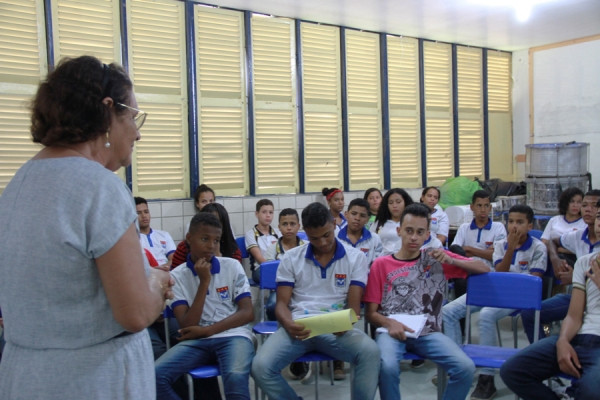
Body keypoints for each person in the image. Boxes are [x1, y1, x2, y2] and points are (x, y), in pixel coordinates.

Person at [0, 55, 173, 399]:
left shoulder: (19, 183)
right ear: (107, 111)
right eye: (132, 117)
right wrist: (157, 282)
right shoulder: (99, 187)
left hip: (26, 375)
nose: (137, 134)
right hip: (93, 378)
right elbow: (135, 313)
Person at [251, 202, 381, 400]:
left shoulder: (355, 258)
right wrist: (288, 324)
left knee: (370, 352)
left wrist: (346, 323)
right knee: (260, 367)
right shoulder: (291, 258)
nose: (322, 242)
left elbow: (354, 308)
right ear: (305, 232)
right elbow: (281, 305)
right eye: (314, 238)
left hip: (336, 330)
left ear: (334, 225)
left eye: (327, 235)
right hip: (298, 329)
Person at [364, 203, 489, 400]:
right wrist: (389, 323)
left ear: (427, 235)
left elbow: (484, 268)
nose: (414, 237)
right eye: (409, 231)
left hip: (428, 332)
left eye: (420, 232)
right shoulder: (381, 264)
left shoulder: (435, 259)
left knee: (465, 367)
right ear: (399, 231)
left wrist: (452, 260)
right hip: (392, 331)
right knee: (387, 367)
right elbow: (370, 313)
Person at [443, 204, 547, 400]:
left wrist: (511, 249)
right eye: (511, 222)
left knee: (486, 314)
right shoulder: (501, 244)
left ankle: (487, 378)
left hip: (519, 295)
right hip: (495, 288)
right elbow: (500, 272)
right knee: (448, 311)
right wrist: (509, 248)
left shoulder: (538, 247)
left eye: (520, 222)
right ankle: (459, 367)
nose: (514, 226)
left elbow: (532, 284)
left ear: (530, 225)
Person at [500, 206, 600, 399]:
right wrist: (562, 340)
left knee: (590, 391)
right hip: (579, 336)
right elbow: (574, 316)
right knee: (512, 370)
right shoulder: (585, 263)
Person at [155, 212, 255, 400]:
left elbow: (248, 313)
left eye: (216, 240)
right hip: (196, 341)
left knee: (235, 377)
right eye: (204, 239)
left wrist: (208, 330)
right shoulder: (177, 276)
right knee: (155, 376)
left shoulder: (232, 266)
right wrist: (204, 282)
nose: (211, 246)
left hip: (233, 336)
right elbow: (187, 324)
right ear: (189, 239)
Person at [521, 190, 600, 344]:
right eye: (584, 205)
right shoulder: (578, 236)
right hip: (577, 298)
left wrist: (576, 277)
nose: (588, 209)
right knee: (530, 314)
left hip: (595, 303)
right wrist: (555, 259)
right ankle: (544, 350)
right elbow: (552, 241)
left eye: (594, 205)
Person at [264, 208, 310, 380]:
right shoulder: (272, 249)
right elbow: (268, 275)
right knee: (272, 306)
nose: (289, 227)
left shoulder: (307, 247)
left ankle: (301, 353)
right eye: (285, 224)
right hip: (280, 290)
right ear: (279, 227)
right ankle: (283, 344)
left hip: (303, 291)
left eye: (292, 224)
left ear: (299, 226)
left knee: (305, 308)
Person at [449, 190, 507, 301]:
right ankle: (462, 311)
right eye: (479, 205)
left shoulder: (498, 227)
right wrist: (486, 252)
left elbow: (496, 255)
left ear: (490, 208)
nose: (483, 209)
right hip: (467, 270)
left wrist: (469, 249)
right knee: (460, 280)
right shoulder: (464, 228)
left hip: (489, 272)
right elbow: (456, 252)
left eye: (486, 206)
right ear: (472, 207)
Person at [172, 202, 241, 267]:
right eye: (204, 239)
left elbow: (234, 273)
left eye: (216, 222)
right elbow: (175, 272)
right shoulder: (184, 247)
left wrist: (218, 258)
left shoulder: (233, 250)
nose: (211, 246)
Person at [540, 187, 586, 266]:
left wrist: (559, 249)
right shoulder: (554, 220)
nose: (575, 205)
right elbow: (544, 243)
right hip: (551, 257)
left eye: (579, 202)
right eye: (572, 201)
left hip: (574, 260)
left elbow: (583, 249)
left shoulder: (585, 223)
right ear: (565, 203)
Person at [337, 198, 383, 267]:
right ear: (346, 215)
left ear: (367, 219)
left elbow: (378, 265)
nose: (357, 218)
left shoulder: (374, 239)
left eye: (362, 215)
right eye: (354, 214)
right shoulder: (336, 239)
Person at [135, 196, 177, 269]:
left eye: (146, 212)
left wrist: (162, 269)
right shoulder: (132, 239)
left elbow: (174, 259)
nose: (144, 216)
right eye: (138, 213)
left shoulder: (164, 235)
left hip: (166, 271)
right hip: (146, 273)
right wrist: (155, 270)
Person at [245, 199, 281, 283]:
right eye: (264, 212)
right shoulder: (250, 234)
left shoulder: (278, 232)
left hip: (278, 266)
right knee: (277, 277)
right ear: (257, 214)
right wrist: (274, 269)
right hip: (260, 268)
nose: (268, 215)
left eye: (271, 212)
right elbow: (259, 258)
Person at [371, 188, 414, 256]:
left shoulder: (413, 222)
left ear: (405, 202)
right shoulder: (379, 223)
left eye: (398, 202)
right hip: (383, 259)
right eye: (390, 203)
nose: (394, 206)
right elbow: (371, 242)